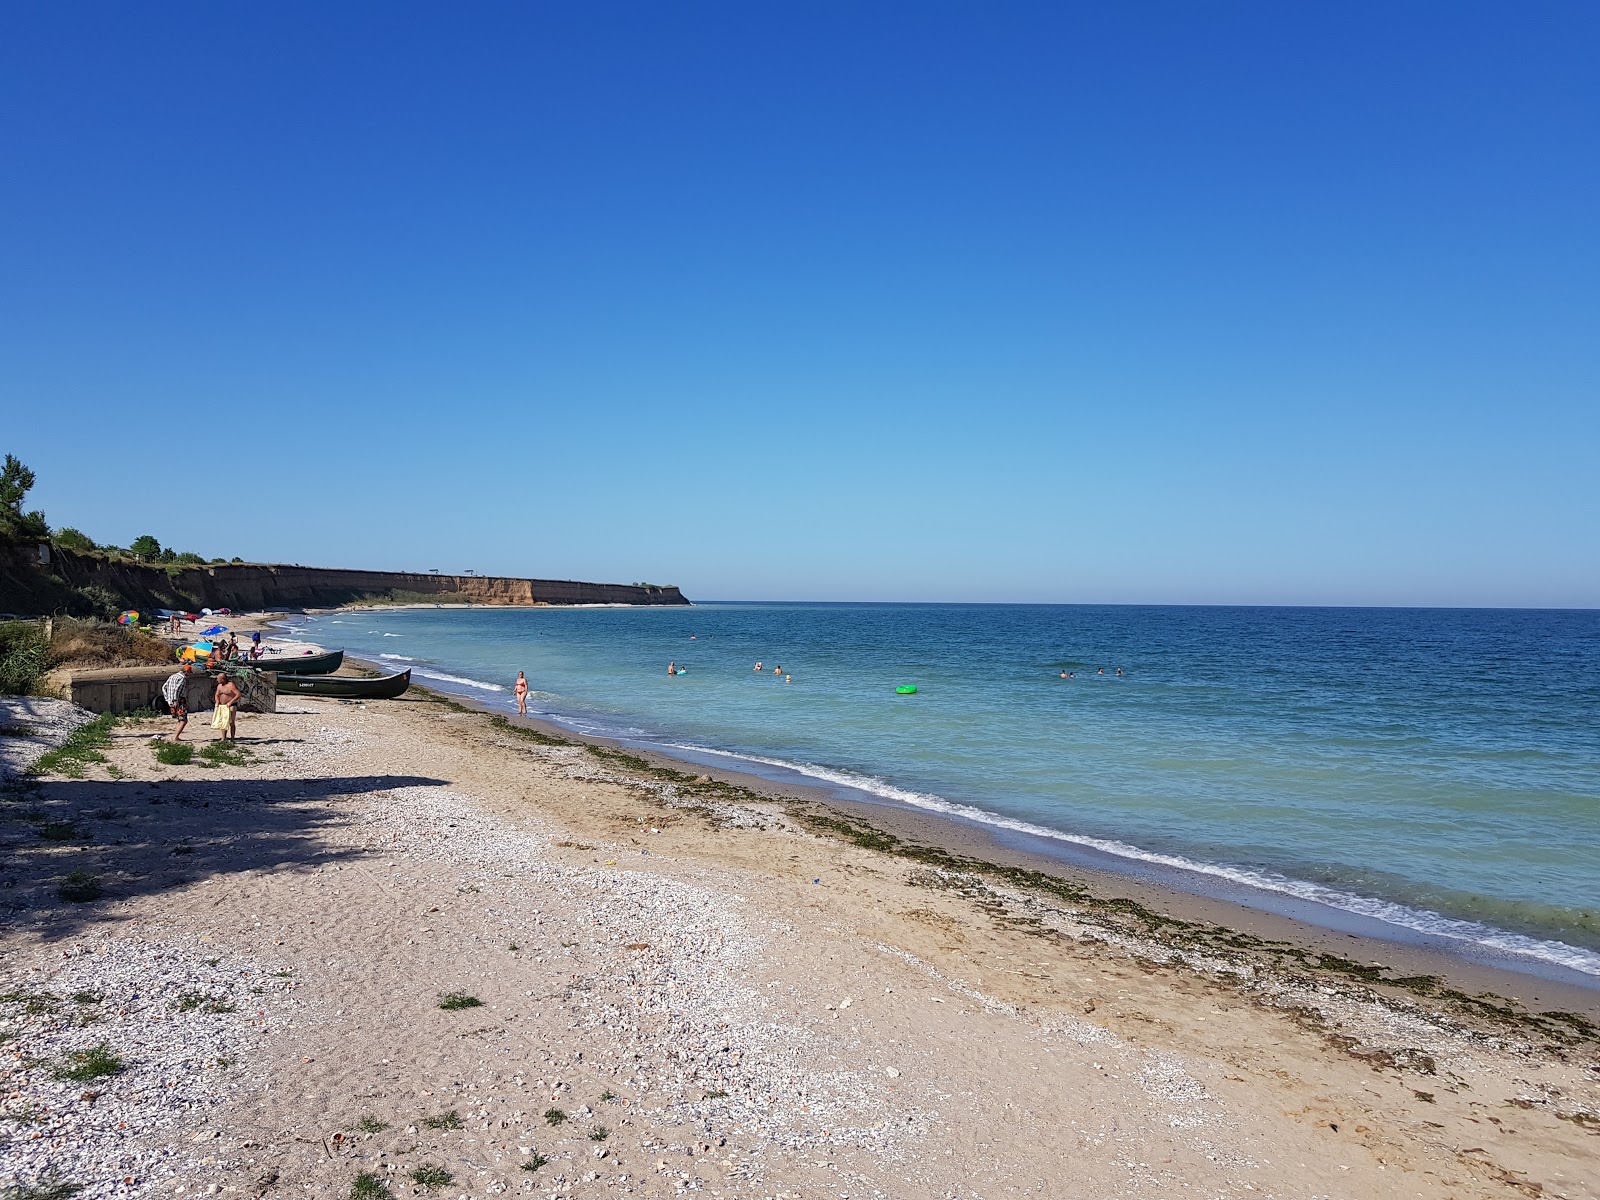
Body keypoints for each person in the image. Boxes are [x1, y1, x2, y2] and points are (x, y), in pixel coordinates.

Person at [162, 664, 192, 741]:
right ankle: (176, 737)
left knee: (179, 719)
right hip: (179, 701)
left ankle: (176, 736)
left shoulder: (172, 676)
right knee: (183, 720)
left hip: (170, 701)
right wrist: (176, 700)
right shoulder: (182, 679)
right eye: (189, 673)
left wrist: (167, 698)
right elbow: (177, 690)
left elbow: (164, 687)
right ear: (187, 672)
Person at [212, 673, 242, 741]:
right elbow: (217, 695)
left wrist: (230, 702)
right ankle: (223, 738)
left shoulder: (231, 685)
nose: (217, 680)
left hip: (231, 705)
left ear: (222, 679)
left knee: (231, 722)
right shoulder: (219, 686)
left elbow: (238, 694)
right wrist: (217, 701)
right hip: (222, 706)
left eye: (218, 678)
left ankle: (232, 738)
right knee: (223, 722)